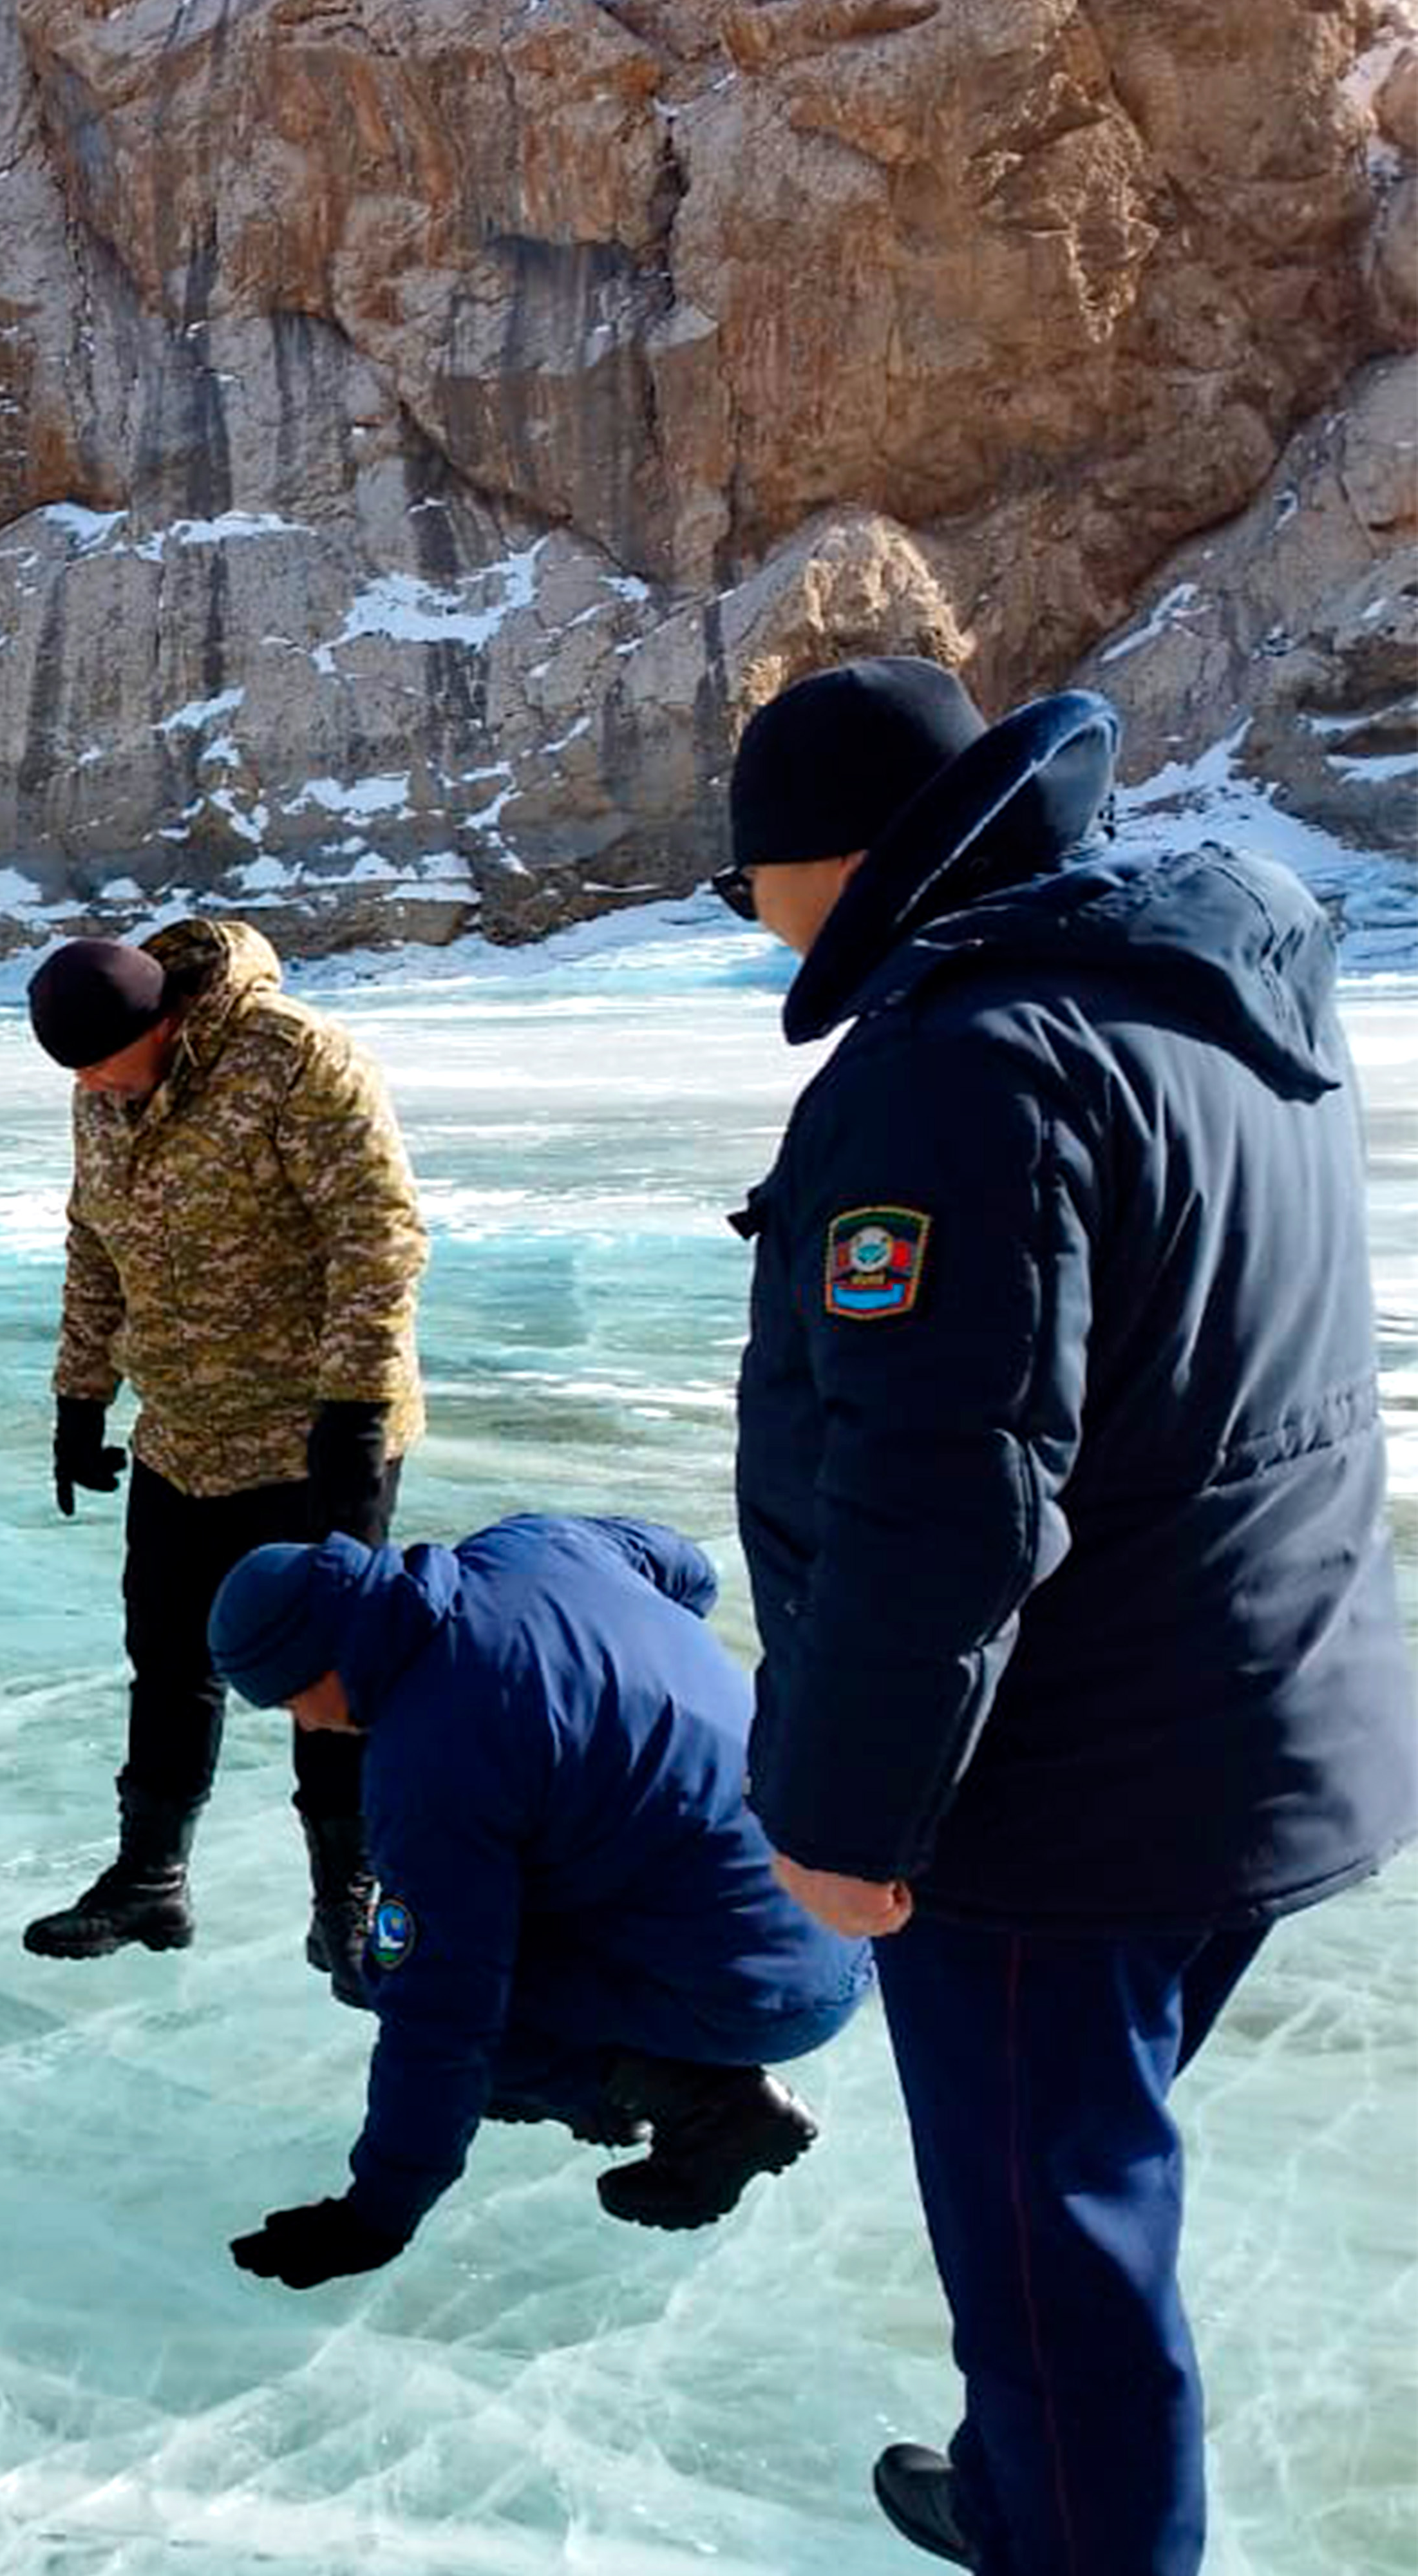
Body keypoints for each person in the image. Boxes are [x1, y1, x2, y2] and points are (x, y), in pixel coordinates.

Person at [721, 658, 1417, 2570]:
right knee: (1068, 2200)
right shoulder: (1204, 985)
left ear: (834, 865)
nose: (747, 921)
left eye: (742, 882)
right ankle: (1035, 2481)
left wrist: (849, 1820)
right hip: (1258, 1713)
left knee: (1054, 2241)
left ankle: (1075, 2518)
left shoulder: (963, 1067)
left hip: (1062, 1790)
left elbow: (938, 1492)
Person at [200, 1517, 869, 2289]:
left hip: (765, 1993)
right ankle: (662, 2074)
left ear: (324, 1660)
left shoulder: (431, 1760)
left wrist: (376, 2216)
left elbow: (440, 2020)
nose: (308, 1724)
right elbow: (687, 1571)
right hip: (842, 1901)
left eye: (291, 1701)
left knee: (399, 1970)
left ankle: (704, 2105)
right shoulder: (537, 1544)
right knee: (492, 1903)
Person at [23, 920, 428, 1996]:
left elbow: (378, 1235)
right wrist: (80, 1397)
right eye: (76, 1074)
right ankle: (151, 1877)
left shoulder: (294, 1056)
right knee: (166, 1656)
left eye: (104, 1064)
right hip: (186, 1435)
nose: (94, 1090)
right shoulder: (99, 1087)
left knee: (335, 1677)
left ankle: (347, 1898)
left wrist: (353, 1405)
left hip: (316, 1436)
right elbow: (92, 1243)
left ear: (164, 1022)